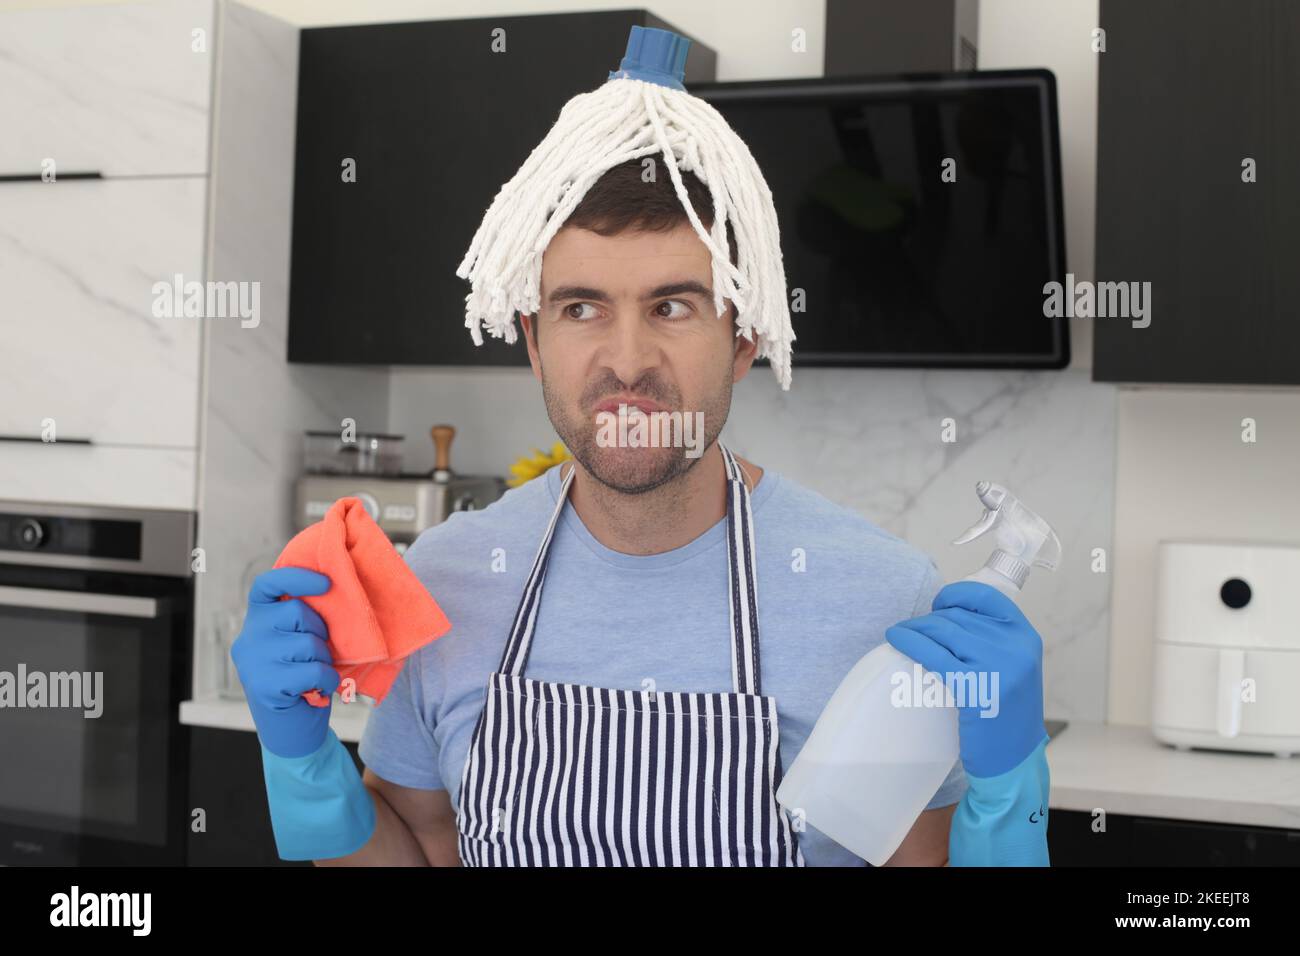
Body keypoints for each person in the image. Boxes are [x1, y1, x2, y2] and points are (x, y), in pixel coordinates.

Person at [232, 27, 1050, 868]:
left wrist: (1008, 795)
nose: (626, 361)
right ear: (534, 340)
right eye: (581, 308)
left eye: (673, 306)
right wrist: (304, 765)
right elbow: (427, 848)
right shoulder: (449, 579)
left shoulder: (878, 597)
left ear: (743, 339)